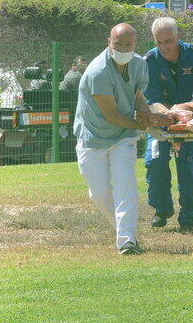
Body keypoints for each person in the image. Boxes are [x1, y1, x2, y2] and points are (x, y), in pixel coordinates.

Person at [74, 23, 171, 255]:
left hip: (123, 137)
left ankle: (127, 240)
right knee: (99, 195)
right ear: (109, 42)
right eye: (118, 44)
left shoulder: (139, 64)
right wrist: (146, 124)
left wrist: (147, 113)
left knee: (125, 186)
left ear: (135, 44)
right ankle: (124, 232)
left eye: (128, 44)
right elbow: (112, 115)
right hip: (94, 138)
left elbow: (137, 96)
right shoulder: (98, 72)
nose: (123, 48)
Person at [142, 17, 193, 230]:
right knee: (154, 161)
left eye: (169, 41)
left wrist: (190, 108)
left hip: (189, 122)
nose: (165, 47)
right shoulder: (149, 61)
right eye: (159, 42)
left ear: (178, 37)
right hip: (160, 121)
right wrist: (166, 113)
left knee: (188, 165)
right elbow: (149, 98)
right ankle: (161, 209)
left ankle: (189, 216)